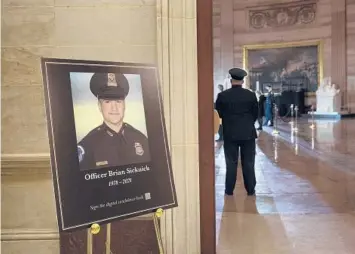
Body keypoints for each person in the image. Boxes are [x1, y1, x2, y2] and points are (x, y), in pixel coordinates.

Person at [77, 72, 150, 170]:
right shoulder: (88, 145)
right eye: (108, 102)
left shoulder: (141, 139)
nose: (114, 108)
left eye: (118, 101)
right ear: (99, 106)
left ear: (124, 105)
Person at [215, 68, 258, 196]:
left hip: (230, 133)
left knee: (231, 163)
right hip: (248, 133)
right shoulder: (250, 95)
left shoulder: (223, 96)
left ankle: (229, 190)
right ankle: (250, 190)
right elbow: (256, 114)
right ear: (243, 81)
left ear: (230, 80)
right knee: (249, 162)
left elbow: (219, 114)